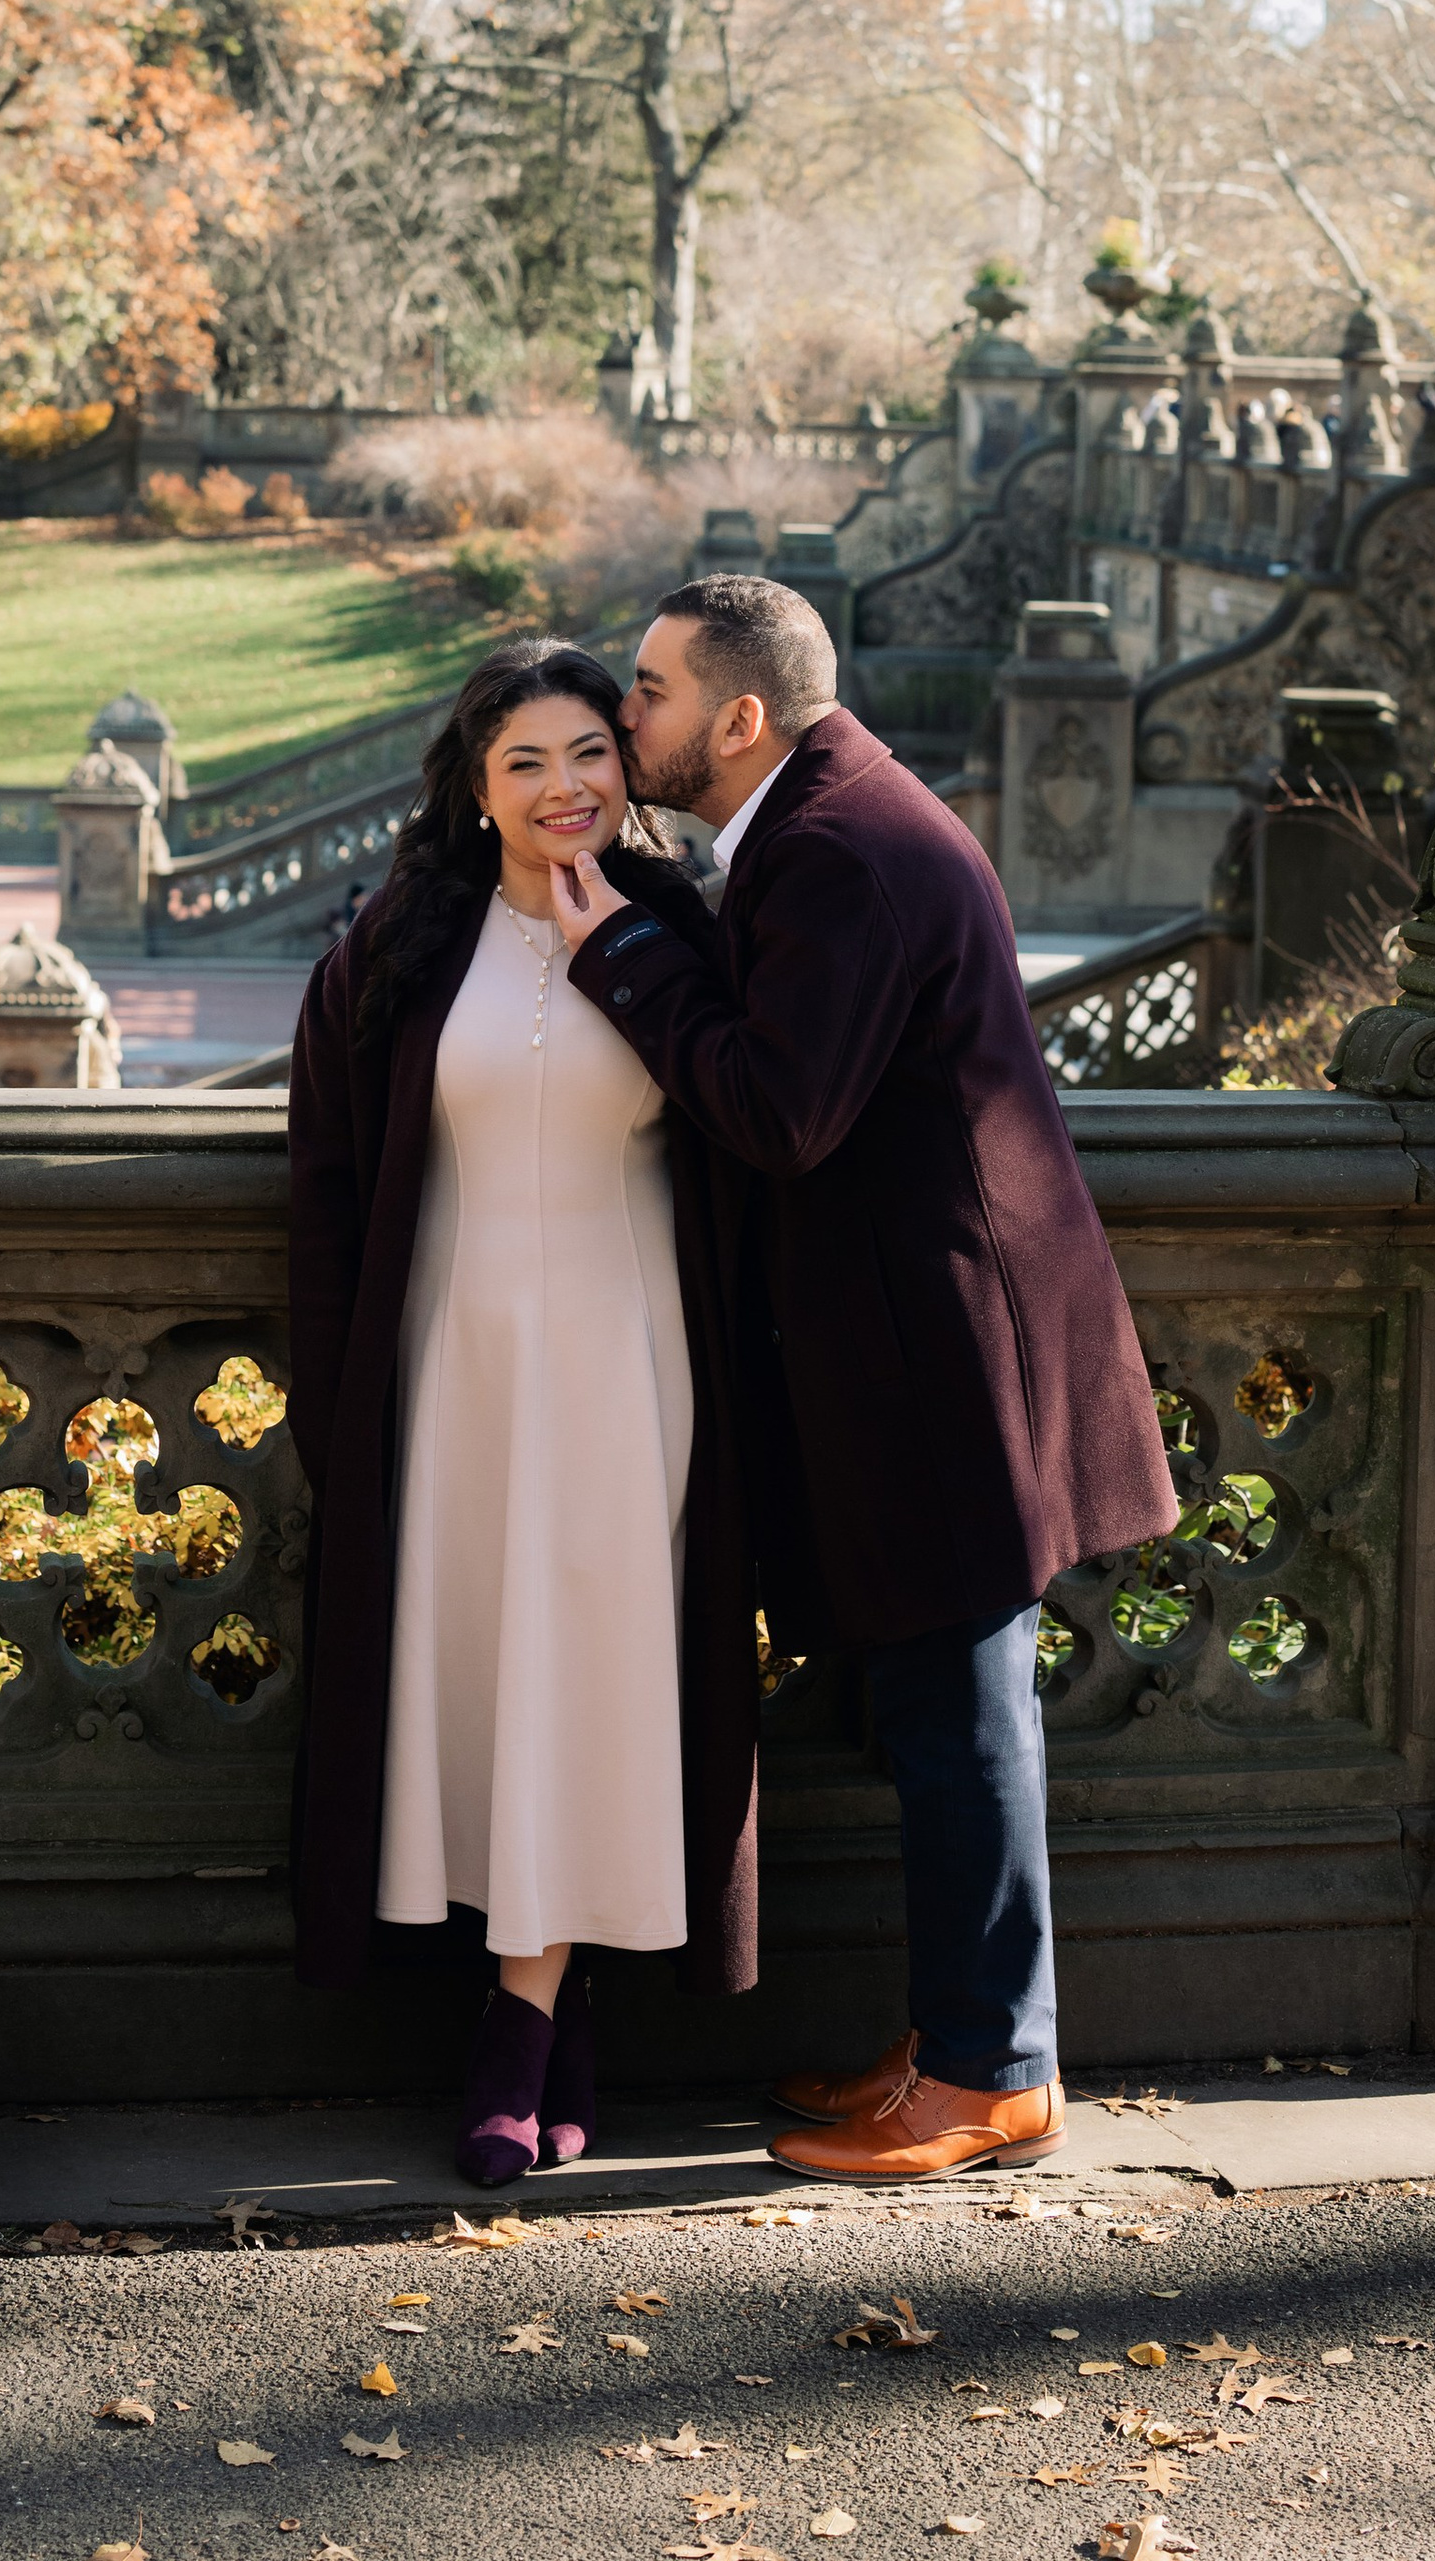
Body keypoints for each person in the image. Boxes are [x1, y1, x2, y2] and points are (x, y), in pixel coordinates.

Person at [549, 572, 1177, 2184]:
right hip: (933, 1335)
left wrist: (619, 951)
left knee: (962, 1721)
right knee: (936, 1708)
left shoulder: (835, 846)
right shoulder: (829, 819)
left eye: (653, 690)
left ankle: (992, 2072)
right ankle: (966, 2034)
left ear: (741, 717)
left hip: (946, 1353)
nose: (626, 714)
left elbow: (779, 1109)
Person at [286, 638, 759, 2186]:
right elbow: (329, 1179)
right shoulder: (398, 945)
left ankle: (522, 2016)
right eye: (526, 762)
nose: (566, 786)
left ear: (628, 766)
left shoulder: (686, 929)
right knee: (481, 1679)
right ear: (475, 787)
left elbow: (760, 1129)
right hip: (456, 1365)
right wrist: (334, 1398)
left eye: (591, 752)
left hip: (629, 1366)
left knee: (594, 1676)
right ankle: (556, 2009)